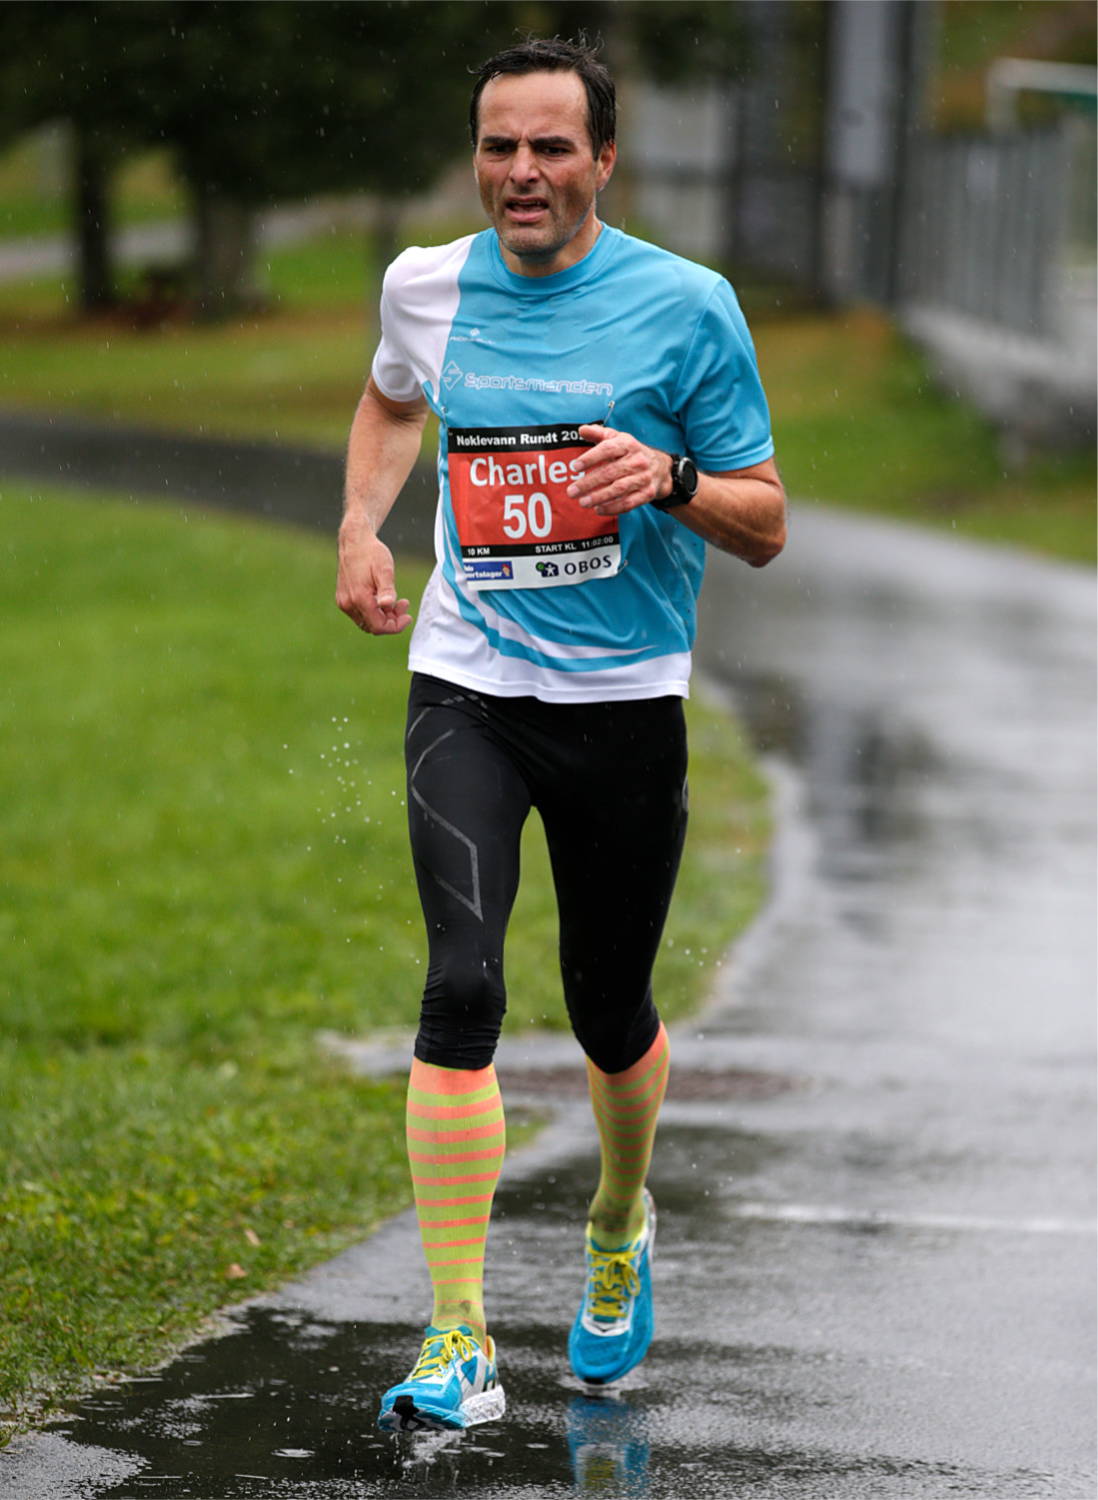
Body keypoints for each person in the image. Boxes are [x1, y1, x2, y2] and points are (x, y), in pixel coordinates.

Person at [336, 35, 786, 1434]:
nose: (520, 173)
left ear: (604, 159)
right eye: (498, 146)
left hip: (624, 703)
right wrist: (360, 523)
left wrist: (671, 476)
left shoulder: (688, 307)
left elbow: (767, 521)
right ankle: (458, 1336)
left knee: (607, 1009)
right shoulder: (426, 285)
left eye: (549, 147)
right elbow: (390, 398)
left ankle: (617, 1218)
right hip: (467, 684)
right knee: (461, 984)